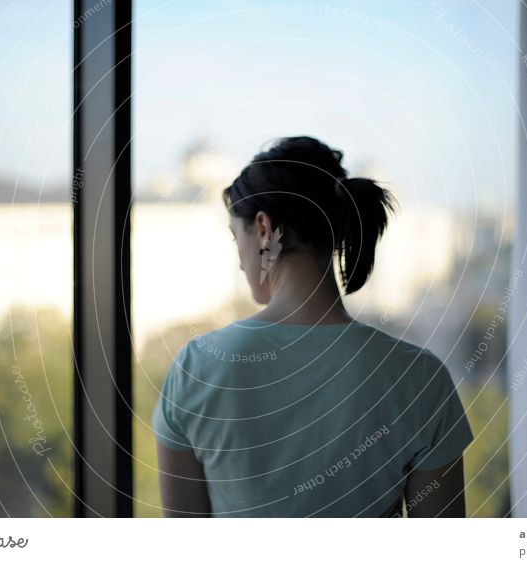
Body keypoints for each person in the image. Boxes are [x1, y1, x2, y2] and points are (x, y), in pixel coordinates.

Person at [151, 136, 474, 517]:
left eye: (235, 237)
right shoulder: (421, 378)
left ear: (263, 228)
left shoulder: (196, 369)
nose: (240, 262)